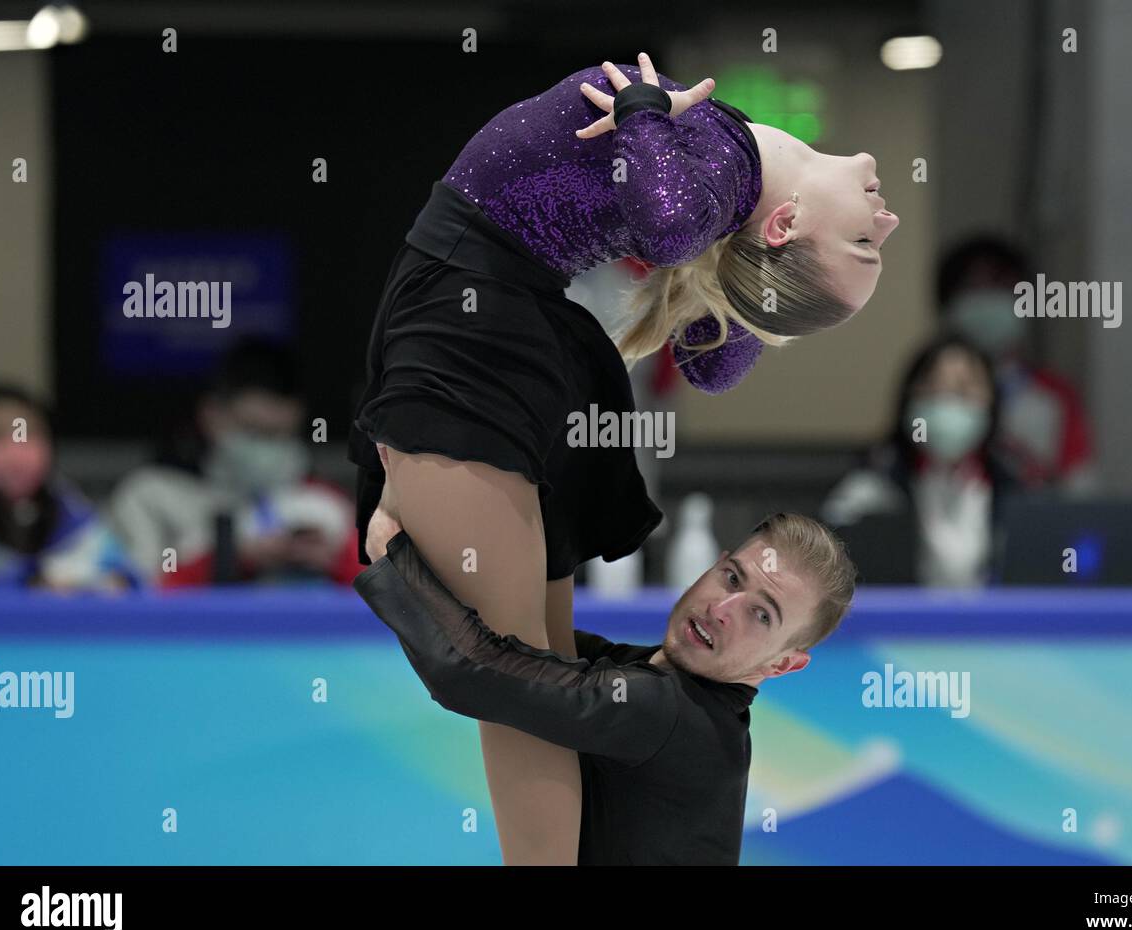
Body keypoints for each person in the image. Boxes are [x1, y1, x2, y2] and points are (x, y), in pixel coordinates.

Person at [348, 53, 899, 865]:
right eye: (871, 242)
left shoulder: (721, 173)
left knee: (527, 687)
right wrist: (749, 271)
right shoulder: (729, 178)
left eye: (862, 240)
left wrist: (643, 110)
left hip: (486, 320)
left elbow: (668, 228)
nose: (884, 222)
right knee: (543, 669)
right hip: (519, 323)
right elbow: (712, 359)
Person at [356, 509, 855, 865]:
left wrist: (389, 551)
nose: (721, 610)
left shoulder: (667, 715)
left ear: (785, 664)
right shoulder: (660, 684)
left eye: (761, 614)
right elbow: (513, 644)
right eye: (730, 577)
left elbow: (470, 672)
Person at [108, 338, 361, 587]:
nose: (268, 450)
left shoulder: (325, 504)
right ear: (212, 415)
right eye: (254, 432)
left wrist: (335, 563)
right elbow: (138, 597)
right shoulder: (150, 497)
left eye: (281, 435)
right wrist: (234, 557)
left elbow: (376, 592)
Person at [821, 334, 1019, 588]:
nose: (948, 403)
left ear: (992, 402)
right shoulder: (873, 487)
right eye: (933, 389)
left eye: (964, 390)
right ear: (909, 401)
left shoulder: (1013, 489)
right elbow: (826, 566)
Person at [936, 235, 1095, 491]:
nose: (986, 298)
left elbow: (1079, 485)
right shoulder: (929, 393)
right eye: (972, 287)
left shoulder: (1057, 396)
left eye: (998, 284)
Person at [0, 383, 141, 592]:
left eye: (29, 433)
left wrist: (103, 583)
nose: (14, 450)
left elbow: (125, 578)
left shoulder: (66, 507)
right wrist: (31, 583)